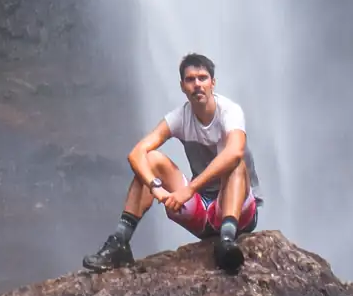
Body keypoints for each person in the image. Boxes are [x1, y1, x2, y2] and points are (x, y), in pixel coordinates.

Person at [83, 51, 260, 277]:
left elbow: (235, 152)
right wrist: (156, 187)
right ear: (182, 86)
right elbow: (136, 153)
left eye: (202, 78)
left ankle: (227, 242)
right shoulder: (179, 118)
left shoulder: (230, 112)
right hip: (202, 213)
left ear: (213, 83)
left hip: (237, 211)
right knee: (150, 160)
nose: (197, 85)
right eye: (190, 79)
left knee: (236, 163)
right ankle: (120, 242)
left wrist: (189, 189)